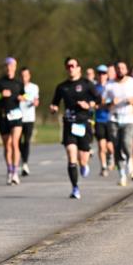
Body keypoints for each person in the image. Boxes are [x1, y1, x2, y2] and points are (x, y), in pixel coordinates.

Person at [49, 57, 99, 199]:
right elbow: (55, 103)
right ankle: (75, 188)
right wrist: (53, 108)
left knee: (82, 159)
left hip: (84, 122)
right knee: (71, 155)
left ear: (78, 68)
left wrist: (88, 104)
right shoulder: (62, 87)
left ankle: (84, 164)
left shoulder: (87, 84)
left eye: (73, 65)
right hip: (69, 124)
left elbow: (98, 100)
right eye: (68, 66)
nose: (70, 68)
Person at [102, 61, 133, 187]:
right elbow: (102, 103)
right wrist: (111, 103)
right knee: (116, 147)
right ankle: (122, 174)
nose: (120, 70)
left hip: (128, 119)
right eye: (118, 68)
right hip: (113, 119)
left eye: (123, 68)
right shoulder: (110, 84)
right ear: (115, 70)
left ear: (126, 70)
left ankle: (130, 162)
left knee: (127, 144)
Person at [0, 57, 25, 185]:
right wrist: (0, 95)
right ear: (4, 68)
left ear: (15, 67)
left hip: (16, 116)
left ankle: (15, 172)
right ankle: (9, 170)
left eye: (12, 66)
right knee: (7, 146)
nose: (9, 69)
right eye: (7, 66)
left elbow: (25, 95)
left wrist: (22, 97)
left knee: (15, 143)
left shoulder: (19, 83)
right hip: (3, 116)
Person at [93, 64, 115, 176]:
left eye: (104, 73)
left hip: (110, 119)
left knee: (110, 147)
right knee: (101, 145)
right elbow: (92, 103)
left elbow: (114, 103)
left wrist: (108, 104)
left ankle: (111, 156)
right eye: (99, 74)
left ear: (107, 75)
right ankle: (103, 166)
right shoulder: (94, 88)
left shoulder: (111, 87)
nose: (101, 76)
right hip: (99, 120)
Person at [19, 66, 40, 177]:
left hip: (29, 118)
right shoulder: (16, 86)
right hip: (17, 117)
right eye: (22, 76)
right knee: (17, 142)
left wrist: (35, 102)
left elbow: (36, 100)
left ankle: (25, 164)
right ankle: (22, 160)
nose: (24, 78)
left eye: (26, 75)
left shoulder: (34, 87)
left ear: (29, 76)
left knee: (26, 141)